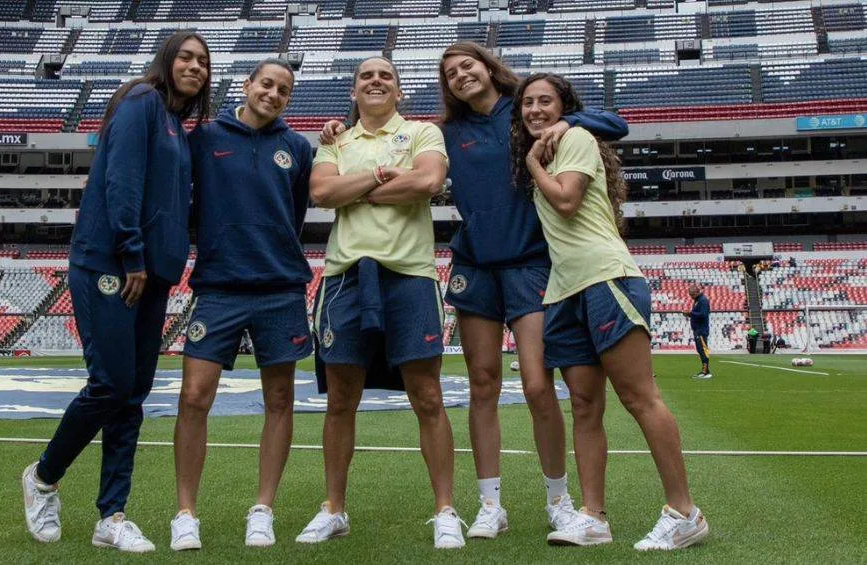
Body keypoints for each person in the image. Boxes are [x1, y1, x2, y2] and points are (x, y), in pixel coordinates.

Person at [320, 43, 629, 538]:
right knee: (481, 386)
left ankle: (558, 498)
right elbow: (388, 142)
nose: (461, 75)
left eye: (469, 65)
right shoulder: (444, 132)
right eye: (451, 73)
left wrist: (567, 124)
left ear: (489, 67)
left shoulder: (523, 111)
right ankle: (490, 504)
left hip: (530, 263)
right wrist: (336, 126)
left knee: (535, 385)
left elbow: (614, 124)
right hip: (473, 267)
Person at [21, 31, 211, 552]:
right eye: (187, 57)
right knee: (109, 384)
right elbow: (121, 181)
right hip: (112, 261)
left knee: (131, 395)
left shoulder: (175, 123)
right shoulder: (141, 101)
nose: (195, 67)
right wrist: (131, 252)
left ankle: (112, 515)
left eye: (203, 62)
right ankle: (42, 478)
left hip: (153, 273)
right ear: (168, 60)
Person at [513, 72, 709, 550]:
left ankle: (685, 512)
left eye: (546, 101)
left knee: (639, 397)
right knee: (583, 405)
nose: (536, 110)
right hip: (563, 291)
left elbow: (565, 200)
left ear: (564, 107)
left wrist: (533, 162)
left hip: (605, 277)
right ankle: (593, 515)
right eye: (528, 103)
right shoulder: (552, 144)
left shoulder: (574, 137)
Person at [296, 56, 465, 549]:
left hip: (409, 275)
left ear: (399, 91)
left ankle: (446, 510)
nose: (375, 81)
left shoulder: (422, 133)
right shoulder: (334, 140)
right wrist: (382, 178)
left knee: (428, 398)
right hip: (346, 276)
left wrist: (357, 189)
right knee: (341, 402)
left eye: (385, 76)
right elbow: (323, 192)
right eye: (366, 76)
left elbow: (428, 183)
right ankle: (334, 509)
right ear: (353, 91)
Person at [171, 58, 313, 550]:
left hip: (281, 288)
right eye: (267, 84)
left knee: (279, 400)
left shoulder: (296, 147)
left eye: (284, 90)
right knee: (193, 397)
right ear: (248, 85)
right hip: (220, 287)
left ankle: (263, 510)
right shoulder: (205, 138)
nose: (273, 94)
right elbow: (186, 205)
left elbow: (293, 215)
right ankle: (185, 512)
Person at [685, 285, 712, 379]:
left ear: (696, 292)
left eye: (692, 294)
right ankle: (705, 371)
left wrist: (690, 313)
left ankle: (706, 372)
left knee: (703, 350)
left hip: (701, 330)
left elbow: (704, 314)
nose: (691, 296)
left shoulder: (703, 300)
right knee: (700, 350)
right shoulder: (698, 300)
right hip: (697, 329)